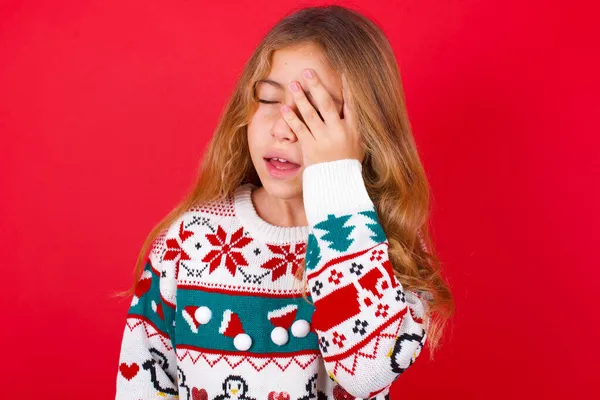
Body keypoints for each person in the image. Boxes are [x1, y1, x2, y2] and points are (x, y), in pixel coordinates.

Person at [115, 5, 454, 400]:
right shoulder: (189, 240)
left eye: (316, 112)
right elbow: (139, 383)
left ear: (369, 132)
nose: (282, 128)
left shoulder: (392, 249)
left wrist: (336, 182)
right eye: (269, 99)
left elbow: (365, 372)